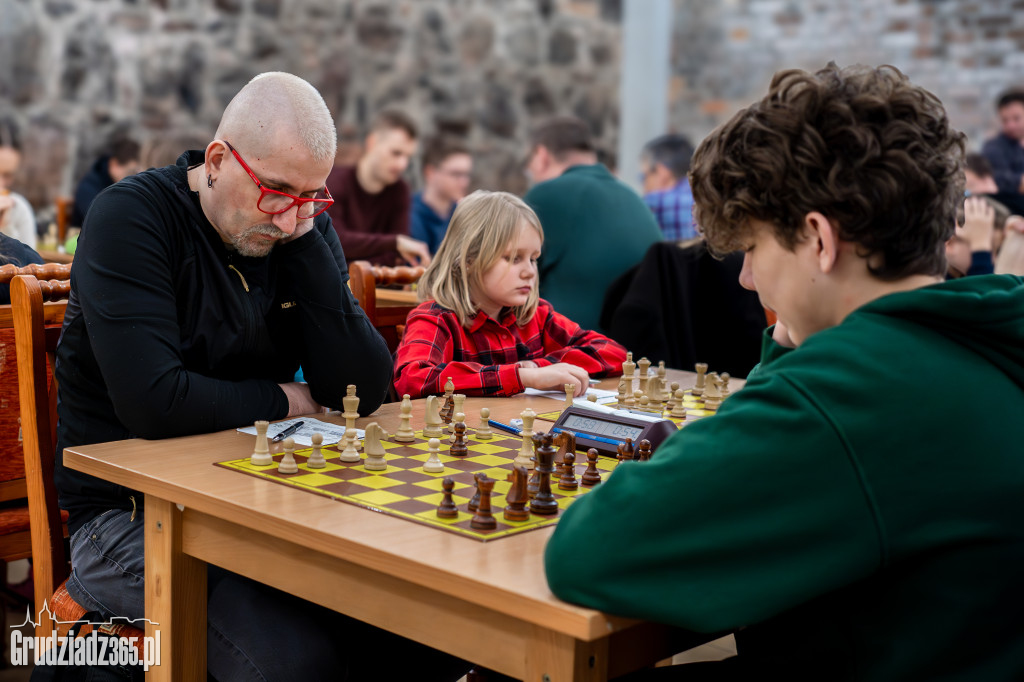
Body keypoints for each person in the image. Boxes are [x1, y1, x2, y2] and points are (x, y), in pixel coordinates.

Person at [545, 63, 1024, 681]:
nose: (747, 279)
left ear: (819, 240)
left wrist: (789, 355)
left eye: (752, 249)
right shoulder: (988, 334)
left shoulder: (850, 393)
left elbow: (588, 552)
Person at [55, 72, 463, 680]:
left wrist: (306, 246)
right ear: (218, 160)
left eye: (312, 195)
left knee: (415, 630)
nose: (292, 215)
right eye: (277, 192)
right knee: (295, 659)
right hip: (129, 516)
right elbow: (155, 402)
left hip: (259, 497)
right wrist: (286, 398)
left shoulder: (296, 227)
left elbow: (363, 388)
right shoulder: (132, 217)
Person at [393, 190, 626, 400]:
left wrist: (538, 367)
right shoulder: (435, 319)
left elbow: (613, 352)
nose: (529, 272)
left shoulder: (536, 315)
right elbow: (412, 378)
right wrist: (523, 376)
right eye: (514, 258)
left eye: (533, 259)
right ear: (469, 260)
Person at [524, 116, 662, 333]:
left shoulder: (547, 194)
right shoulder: (630, 196)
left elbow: (504, 275)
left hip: (576, 344)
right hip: (639, 342)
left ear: (542, 157)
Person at [325, 109, 432, 267]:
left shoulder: (400, 190)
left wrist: (356, 264)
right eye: (396, 153)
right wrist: (395, 242)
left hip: (374, 281)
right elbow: (334, 241)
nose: (403, 164)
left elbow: (397, 256)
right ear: (372, 143)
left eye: (408, 157)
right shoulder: (335, 181)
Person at [410, 136, 472, 255]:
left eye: (466, 174)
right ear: (430, 172)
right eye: (456, 174)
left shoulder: (462, 214)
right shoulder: (409, 215)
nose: (464, 182)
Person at [70, 136, 142, 227]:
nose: (134, 177)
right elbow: (100, 219)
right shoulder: (89, 186)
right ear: (114, 164)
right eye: (131, 172)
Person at [639, 133, 698, 241]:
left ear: (662, 173)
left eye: (643, 176)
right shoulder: (710, 200)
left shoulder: (649, 205)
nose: (643, 184)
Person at [981, 89, 1024, 215]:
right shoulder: (993, 148)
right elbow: (998, 180)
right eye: (1005, 120)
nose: (1011, 125)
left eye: (1016, 119)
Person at [0, 120, 37, 248]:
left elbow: (30, 259)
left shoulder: (20, 208)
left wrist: (5, 227)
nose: (1, 183)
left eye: (8, 175)